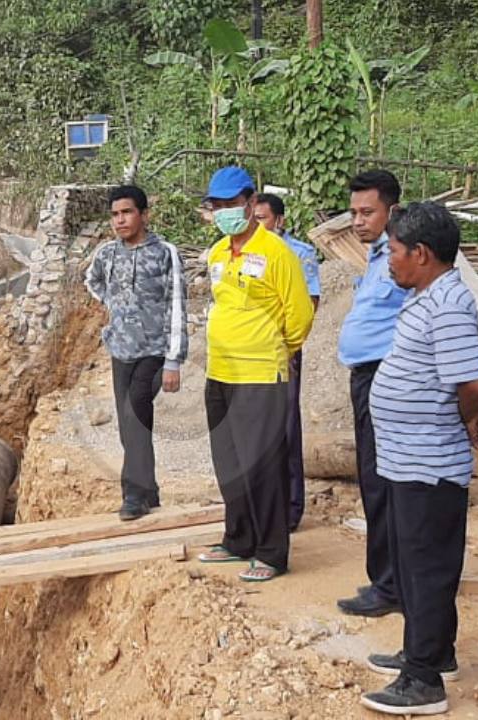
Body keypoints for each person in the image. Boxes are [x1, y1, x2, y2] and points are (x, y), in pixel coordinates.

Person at [360, 201, 478, 716]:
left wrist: (466, 416)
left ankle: (423, 682)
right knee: (417, 564)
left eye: (393, 251)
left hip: (429, 462)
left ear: (421, 253)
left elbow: (476, 382)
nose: (388, 260)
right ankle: (433, 651)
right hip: (408, 459)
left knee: (426, 568)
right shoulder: (428, 296)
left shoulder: (450, 304)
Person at [196, 167, 314, 582]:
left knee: (262, 463)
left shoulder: (278, 253)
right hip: (221, 372)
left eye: (232, 204)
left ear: (250, 203)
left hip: (262, 374)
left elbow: (299, 314)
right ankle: (238, 538)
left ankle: (271, 551)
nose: (226, 212)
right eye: (218, 206)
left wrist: (275, 349)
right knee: (229, 461)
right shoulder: (216, 254)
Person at [84, 185, 188, 521]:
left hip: (153, 351)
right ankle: (150, 491)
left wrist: (173, 359)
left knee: (134, 415)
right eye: (115, 214)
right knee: (129, 425)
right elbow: (92, 280)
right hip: (120, 348)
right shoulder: (106, 254)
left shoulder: (165, 253)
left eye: (126, 212)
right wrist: (113, 304)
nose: (120, 220)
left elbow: (177, 305)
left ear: (144, 214)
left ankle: (134, 495)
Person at [336, 169, 409, 618]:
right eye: (353, 212)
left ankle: (391, 587)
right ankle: (383, 578)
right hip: (365, 376)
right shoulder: (378, 257)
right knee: (372, 479)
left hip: (385, 376)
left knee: (383, 482)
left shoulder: (405, 260)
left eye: (368, 212)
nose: (358, 221)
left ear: (391, 211)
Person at [253, 193, 321, 532]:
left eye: (263, 218)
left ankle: (291, 507)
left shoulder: (300, 254)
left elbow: (309, 304)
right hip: (248, 351)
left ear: (279, 221)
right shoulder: (244, 253)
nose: (257, 224)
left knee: (286, 427)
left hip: (283, 350)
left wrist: (290, 347)